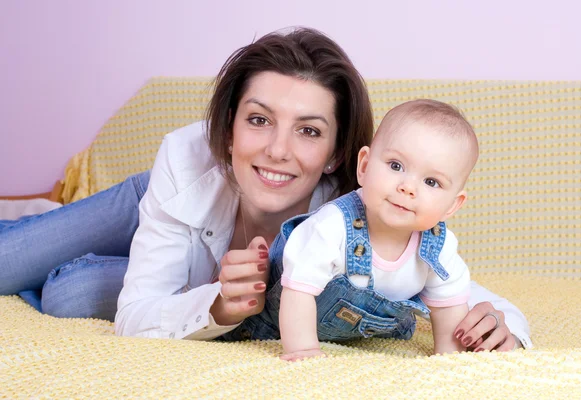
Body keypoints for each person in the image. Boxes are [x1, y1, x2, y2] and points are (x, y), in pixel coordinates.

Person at [0, 28, 530, 352]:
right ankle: (55, 213)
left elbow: (446, 281)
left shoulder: (360, 212)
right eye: (258, 120)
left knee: (68, 292)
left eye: (309, 130)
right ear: (229, 127)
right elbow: (139, 313)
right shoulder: (184, 161)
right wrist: (215, 301)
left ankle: (58, 237)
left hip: (185, 266)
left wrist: (506, 328)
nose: (278, 150)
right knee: (9, 258)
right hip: (157, 200)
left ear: (342, 153)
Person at [269, 99, 478, 361]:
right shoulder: (332, 226)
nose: (407, 187)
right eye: (396, 166)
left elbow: (449, 307)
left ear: (452, 206)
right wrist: (303, 351)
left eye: (431, 182)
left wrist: (450, 360)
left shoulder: (439, 247)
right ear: (365, 167)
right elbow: (298, 290)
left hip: (362, 333)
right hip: (279, 320)